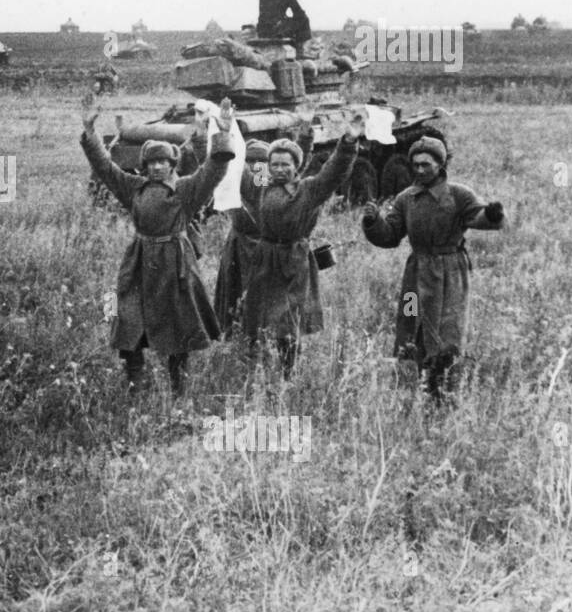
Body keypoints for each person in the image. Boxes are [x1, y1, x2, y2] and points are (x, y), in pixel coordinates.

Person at [81, 93, 236, 405]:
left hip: (176, 265)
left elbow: (214, 170)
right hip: (138, 263)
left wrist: (223, 132)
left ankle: (179, 393)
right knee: (129, 323)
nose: (157, 167)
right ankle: (134, 389)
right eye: (151, 162)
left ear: (172, 164)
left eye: (163, 161)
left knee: (178, 328)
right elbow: (105, 166)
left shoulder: (186, 190)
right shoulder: (132, 188)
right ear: (144, 166)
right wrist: (89, 131)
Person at [360, 136, 504, 410]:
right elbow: (390, 235)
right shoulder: (406, 198)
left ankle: (444, 396)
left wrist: (492, 216)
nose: (420, 170)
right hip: (415, 279)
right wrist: (373, 222)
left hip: (449, 276)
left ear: (441, 164)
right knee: (411, 323)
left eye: (426, 164)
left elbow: (477, 218)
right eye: (415, 164)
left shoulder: (459, 195)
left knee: (447, 330)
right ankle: (411, 393)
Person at [239, 115, 363, 376]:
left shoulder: (309, 189)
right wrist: (222, 132)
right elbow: (236, 171)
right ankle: (257, 373)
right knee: (258, 317)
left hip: (294, 261)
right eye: (275, 164)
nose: (280, 169)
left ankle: (288, 373)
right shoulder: (262, 186)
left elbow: (334, 171)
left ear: (297, 166)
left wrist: (349, 142)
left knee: (288, 323)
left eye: (286, 164)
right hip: (264, 259)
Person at [214, 139, 271, 332]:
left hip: (264, 247)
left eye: (261, 163)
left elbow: (260, 187)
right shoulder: (240, 179)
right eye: (251, 162)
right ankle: (232, 332)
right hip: (238, 246)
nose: (257, 167)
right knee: (233, 292)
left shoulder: (266, 181)